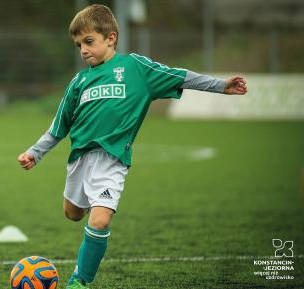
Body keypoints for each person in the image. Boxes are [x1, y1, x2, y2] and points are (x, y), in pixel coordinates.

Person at [17, 4, 247, 289]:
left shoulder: (135, 68)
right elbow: (58, 127)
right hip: (79, 160)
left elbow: (180, 76)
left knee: (99, 221)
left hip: (112, 160)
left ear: (110, 38)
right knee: (73, 214)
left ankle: (80, 281)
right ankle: (95, 207)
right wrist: (34, 153)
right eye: (78, 45)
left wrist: (220, 85)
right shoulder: (79, 81)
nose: (83, 50)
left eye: (89, 41)